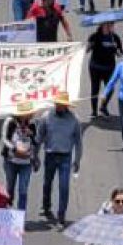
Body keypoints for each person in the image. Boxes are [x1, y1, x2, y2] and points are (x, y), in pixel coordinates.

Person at [36, 92, 82, 227]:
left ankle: (61, 215)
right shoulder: (46, 116)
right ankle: (46, 207)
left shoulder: (74, 119)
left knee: (64, 187)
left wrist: (77, 159)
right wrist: (35, 155)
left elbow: (78, 141)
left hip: (65, 156)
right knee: (47, 183)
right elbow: (39, 136)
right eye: (58, 104)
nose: (60, 106)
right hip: (50, 154)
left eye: (62, 105)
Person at [0, 102, 39, 211]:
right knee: (10, 188)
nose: (30, 116)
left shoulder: (32, 124)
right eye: (28, 113)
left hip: (26, 163)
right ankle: (7, 212)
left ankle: (20, 218)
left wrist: (31, 135)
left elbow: (37, 142)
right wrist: (15, 149)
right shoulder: (10, 122)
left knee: (23, 190)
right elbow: (4, 139)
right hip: (11, 161)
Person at [86, 22, 123, 116]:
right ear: (102, 26)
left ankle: (103, 106)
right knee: (95, 89)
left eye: (111, 25)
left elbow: (120, 54)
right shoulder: (94, 36)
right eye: (107, 25)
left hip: (109, 68)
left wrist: (116, 49)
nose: (110, 27)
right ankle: (94, 111)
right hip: (95, 67)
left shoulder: (115, 38)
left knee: (110, 89)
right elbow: (86, 50)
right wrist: (91, 45)